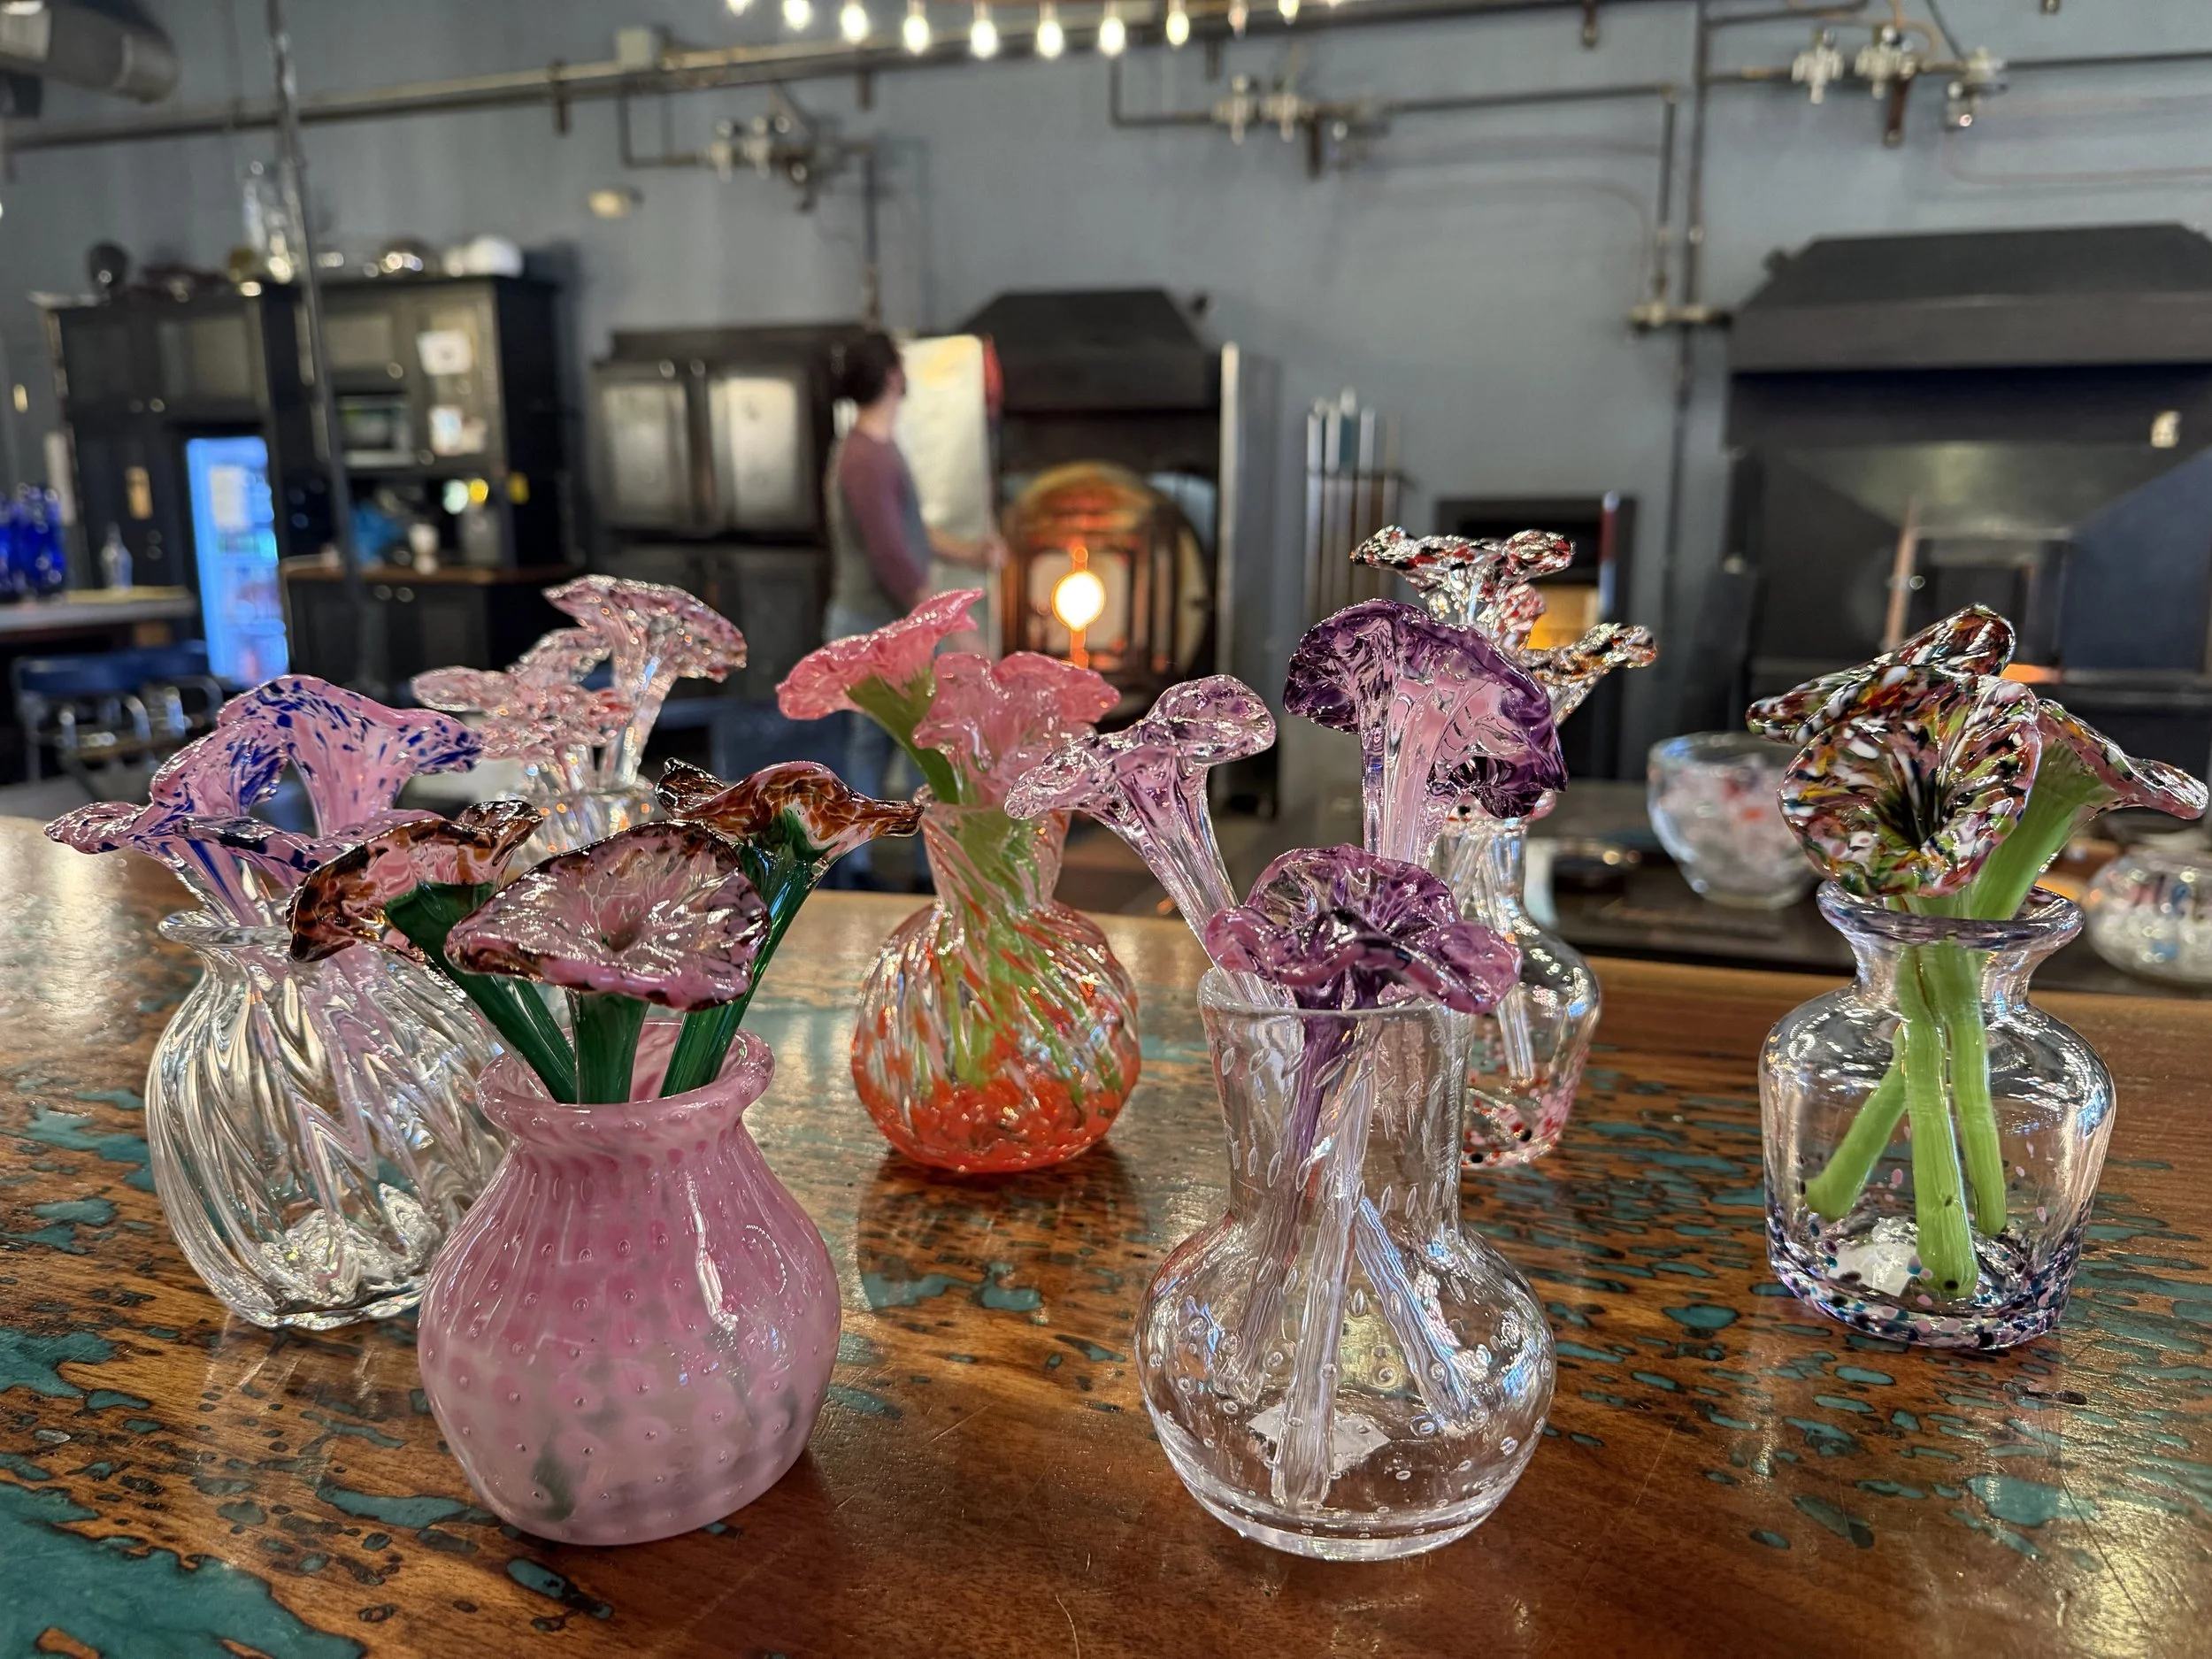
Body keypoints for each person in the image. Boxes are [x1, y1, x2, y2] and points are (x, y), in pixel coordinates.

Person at [823, 331, 1003, 881]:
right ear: (893, 377)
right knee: (914, 744)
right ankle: (872, 874)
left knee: (894, 745)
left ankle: (878, 867)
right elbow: (892, 557)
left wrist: (972, 552)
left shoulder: (873, 448)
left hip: (886, 624)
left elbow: (911, 534)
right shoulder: (866, 458)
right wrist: (952, 626)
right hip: (876, 627)